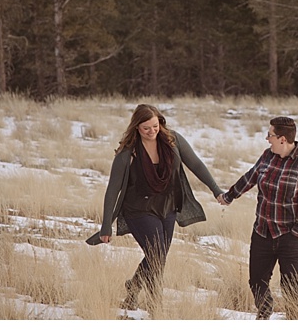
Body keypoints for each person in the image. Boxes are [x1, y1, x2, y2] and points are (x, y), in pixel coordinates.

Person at [86, 104, 225, 309]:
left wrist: (216, 189)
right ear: (136, 128)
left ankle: (133, 287)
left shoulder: (172, 140)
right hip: (138, 209)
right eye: (146, 128)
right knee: (157, 254)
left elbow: (195, 164)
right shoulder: (128, 153)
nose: (152, 132)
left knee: (158, 256)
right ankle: (155, 304)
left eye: (155, 126)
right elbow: (112, 190)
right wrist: (106, 225)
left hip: (167, 207)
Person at [217, 116, 298, 320]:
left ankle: (296, 319)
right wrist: (229, 196)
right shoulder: (267, 156)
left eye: (270, 135)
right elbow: (250, 177)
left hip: (291, 236)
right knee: (256, 281)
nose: (267, 138)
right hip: (262, 231)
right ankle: (264, 313)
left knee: (290, 285)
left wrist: (297, 232)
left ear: (282, 139)